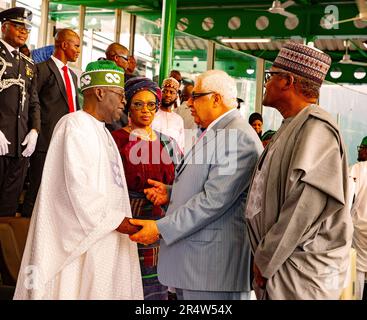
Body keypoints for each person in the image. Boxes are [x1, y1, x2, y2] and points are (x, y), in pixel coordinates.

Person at [128, 70, 263, 300]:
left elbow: (213, 201)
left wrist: (160, 228)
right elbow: (210, 186)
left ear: (216, 99)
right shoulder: (217, 131)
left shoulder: (237, 136)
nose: (188, 102)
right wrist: (171, 193)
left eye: (195, 96)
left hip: (212, 271)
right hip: (197, 267)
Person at [14, 60, 143, 300]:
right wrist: (121, 221)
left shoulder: (102, 131)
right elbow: (78, 190)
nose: (124, 101)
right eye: (119, 94)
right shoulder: (74, 125)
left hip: (106, 234)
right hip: (83, 240)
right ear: (100, 92)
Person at [245, 41, 353, 300]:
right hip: (279, 266)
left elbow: (303, 208)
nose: (266, 83)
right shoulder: (292, 125)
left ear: (287, 81)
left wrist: (266, 258)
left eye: (271, 77)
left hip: (298, 273)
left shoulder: (318, 129)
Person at [111, 77, 180, 300]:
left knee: (156, 286)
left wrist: (167, 192)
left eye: (151, 105)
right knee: (125, 282)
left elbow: (181, 181)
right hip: (125, 222)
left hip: (159, 223)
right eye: (138, 104)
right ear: (128, 106)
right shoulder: (116, 140)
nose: (145, 110)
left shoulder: (168, 142)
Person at [22, 28, 81, 217]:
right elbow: (32, 103)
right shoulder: (41, 69)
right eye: (77, 45)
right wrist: (34, 131)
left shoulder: (72, 76)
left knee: (59, 191)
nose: (79, 50)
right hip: (44, 141)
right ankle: (23, 232)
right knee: (37, 189)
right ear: (64, 44)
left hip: (67, 141)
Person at [0, 7, 40, 216]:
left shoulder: (28, 64)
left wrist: (34, 130)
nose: (24, 31)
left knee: (9, 203)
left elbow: (34, 102)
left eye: (27, 28)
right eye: (18, 26)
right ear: (4, 27)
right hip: (1, 138)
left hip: (20, 144)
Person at [349, 136, 367, 300]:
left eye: (361, 147)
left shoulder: (357, 169)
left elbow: (348, 197)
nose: (359, 151)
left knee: (358, 271)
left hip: (360, 229)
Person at [105, 42, 136, 131]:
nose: (129, 62)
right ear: (116, 58)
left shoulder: (96, 74)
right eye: (127, 59)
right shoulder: (122, 80)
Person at [152, 77, 185, 153]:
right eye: (165, 91)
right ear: (160, 93)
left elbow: (181, 146)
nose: (167, 95)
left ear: (176, 96)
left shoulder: (178, 120)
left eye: (172, 92)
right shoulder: (152, 114)